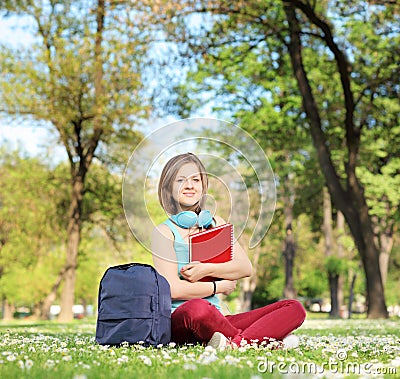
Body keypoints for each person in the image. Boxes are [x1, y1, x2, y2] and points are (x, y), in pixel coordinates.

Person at [151, 152, 306, 349]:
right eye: (180, 180)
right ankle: (262, 340)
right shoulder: (164, 232)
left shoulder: (215, 224)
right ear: (168, 188)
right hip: (184, 318)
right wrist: (218, 287)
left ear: (203, 186)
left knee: (294, 308)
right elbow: (173, 290)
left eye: (196, 179)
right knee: (197, 308)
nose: (189, 185)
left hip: (221, 319)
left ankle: (236, 344)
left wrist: (206, 270)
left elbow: (244, 268)